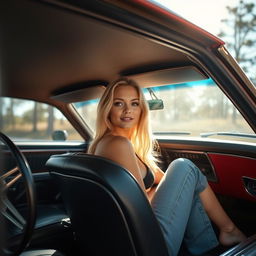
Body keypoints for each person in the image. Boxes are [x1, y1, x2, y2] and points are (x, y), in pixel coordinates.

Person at [88, 77, 246, 255]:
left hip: (133, 238)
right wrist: (158, 191)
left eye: (134, 103)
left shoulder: (113, 143)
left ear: (142, 110)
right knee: (184, 166)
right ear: (107, 108)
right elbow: (138, 207)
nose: (128, 110)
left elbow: (163, 180)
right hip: (147, 242)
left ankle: (208, 248)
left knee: (189, 184)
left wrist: (168, 189)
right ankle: (229, 231)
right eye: (118, 103)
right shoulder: (118, 144)